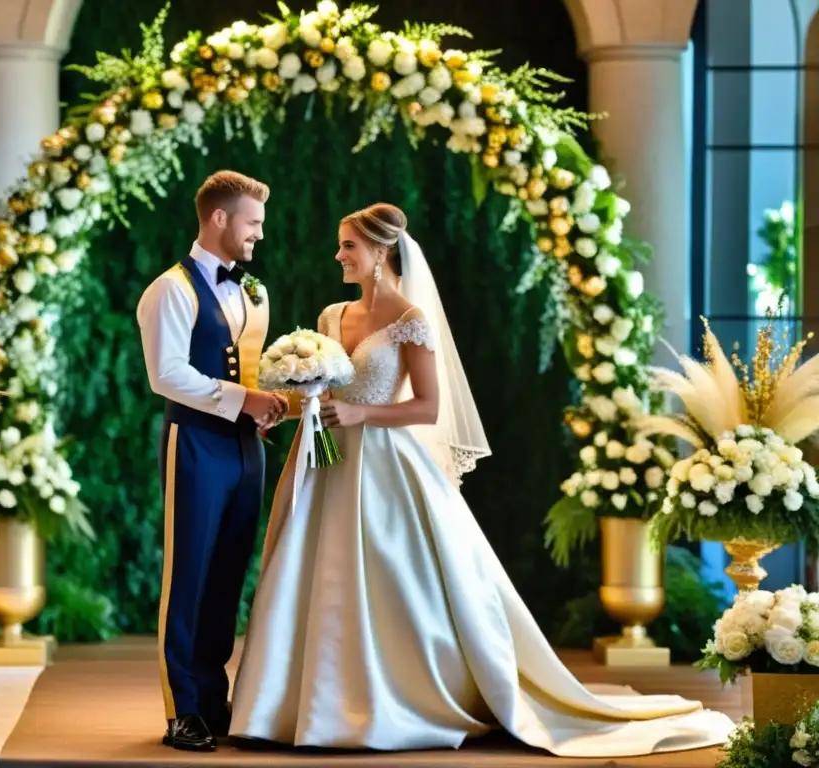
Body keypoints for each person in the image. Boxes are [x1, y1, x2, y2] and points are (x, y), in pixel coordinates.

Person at [228, 203, 736, 756]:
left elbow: (426, 407)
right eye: (340, 244)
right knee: (311, 574)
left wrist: (361, 415)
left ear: (380, 251)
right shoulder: (330, 319)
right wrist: (298, 396)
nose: (339, 255)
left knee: (393, 579)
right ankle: (296, 702)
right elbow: (326, 391)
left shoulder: (411, 321)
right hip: (325, 462)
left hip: (384, 467)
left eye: (348, 245)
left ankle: (393, 697)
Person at [136, 170, 288, 752]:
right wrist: (241, 400)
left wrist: (276, 399)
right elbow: (165, 374)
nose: (259, 236)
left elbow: (246, 368)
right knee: (189, 576)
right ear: (220, 219)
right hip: (195, 444)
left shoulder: (254, 290)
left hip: (247, 447)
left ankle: (214, 698)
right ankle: (183, 710)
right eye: (253, 223)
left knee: (228, 574)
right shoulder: (168, 289)